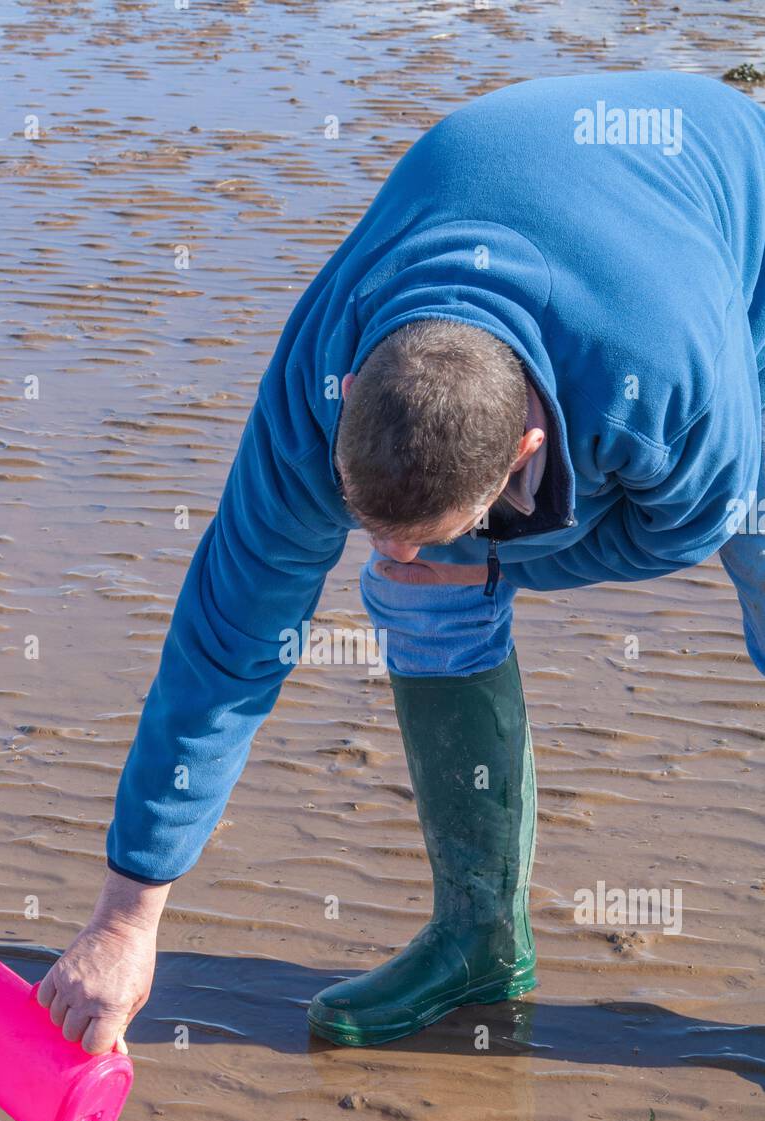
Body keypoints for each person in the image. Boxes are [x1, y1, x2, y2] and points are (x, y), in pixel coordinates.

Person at [37, 69, 765, 1051]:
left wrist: (507, 568)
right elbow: (229, 639)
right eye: (363, 518)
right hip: (528, 203)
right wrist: (127, 916)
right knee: (422, 589)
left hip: (723, 242)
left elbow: (693, 520)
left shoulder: (664, 374)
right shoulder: (315, 380)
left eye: (422, 527)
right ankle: (476, 939)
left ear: (523, 454)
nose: (383, 554)